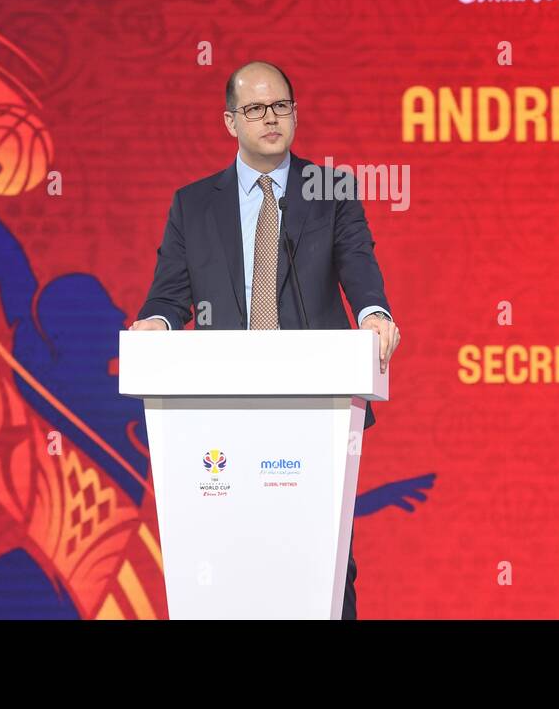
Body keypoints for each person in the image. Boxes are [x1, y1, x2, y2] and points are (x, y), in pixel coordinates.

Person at [130, 60, 402, 619]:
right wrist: (155, 323)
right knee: (230, 565)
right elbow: (168, 296)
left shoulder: (330, 190)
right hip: (221, 420)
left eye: (281, 106)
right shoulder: (194, 204)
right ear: (231, 121)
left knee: (325, 565)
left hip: (317, 413)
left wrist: (375, 313)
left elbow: (358, 265)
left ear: (295, 114)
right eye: (255, 109)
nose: (270, 118)